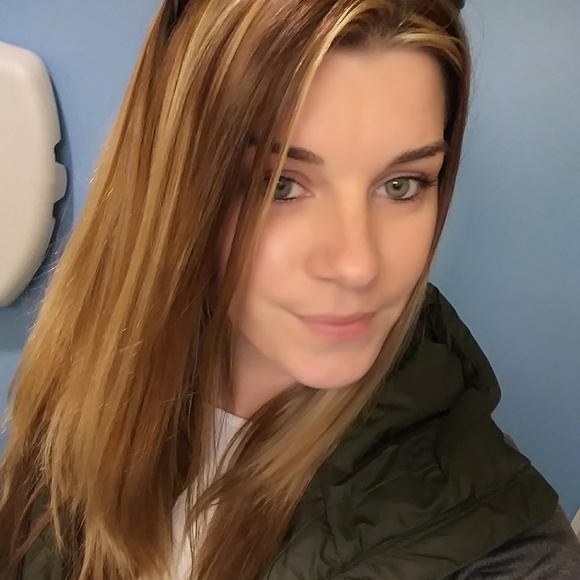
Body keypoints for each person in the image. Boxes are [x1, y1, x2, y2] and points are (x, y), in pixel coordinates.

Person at [1, 0, 579, 578]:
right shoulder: (80, 386)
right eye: (280, 184)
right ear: (177, 186)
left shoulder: (512, 554)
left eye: (402, 185)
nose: (357, 265)